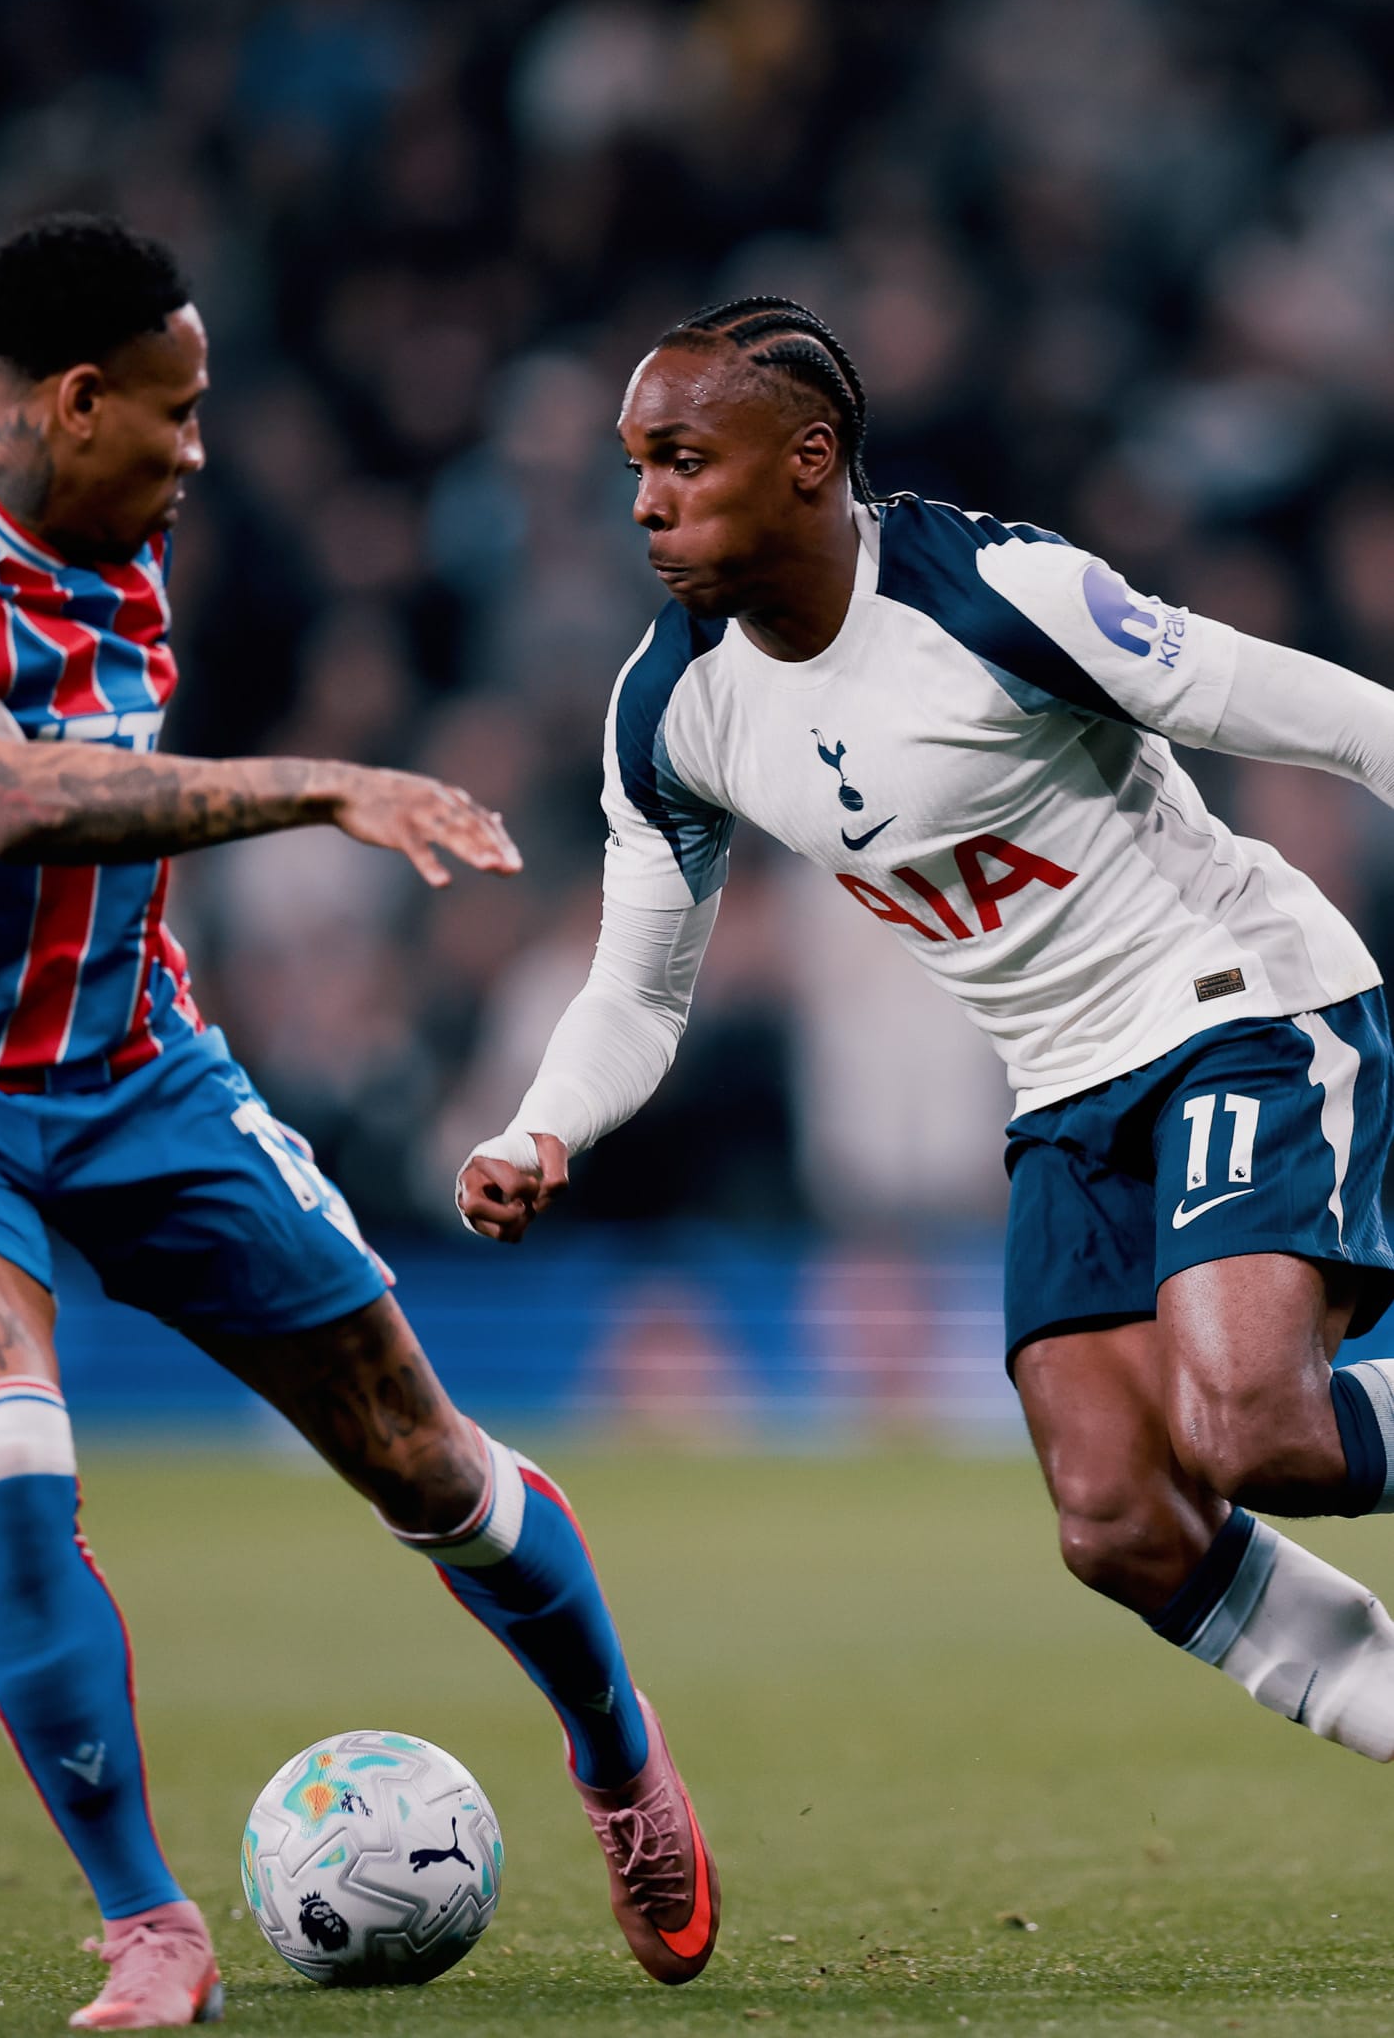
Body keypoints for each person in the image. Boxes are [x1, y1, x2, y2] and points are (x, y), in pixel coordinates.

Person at [0, 214, 718, 2031]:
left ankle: (618, 1757)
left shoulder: (123, 552)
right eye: (179, 415)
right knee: (1, 1443)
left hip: (137, 1072)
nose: (202, 452)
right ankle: (149, 1926)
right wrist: (319, 786)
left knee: (422, 1460)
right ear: (78, 397)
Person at [459, 295, 1394, 1798]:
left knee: (1249, 1426)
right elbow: (638, 991)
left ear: (807, 460)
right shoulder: (671, 708)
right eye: (637, 464)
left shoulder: (994, 593)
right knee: (1114, 1520)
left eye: (684, 459)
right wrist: (538, 1127)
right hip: (1061, 1091)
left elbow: (1339, 717)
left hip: (1236, 1007)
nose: (646, 500)